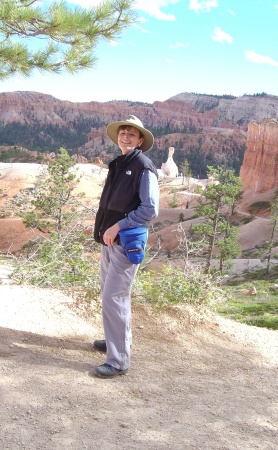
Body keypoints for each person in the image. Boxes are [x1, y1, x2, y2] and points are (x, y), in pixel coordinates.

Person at [93, 115, 159, 378]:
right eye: (123, 133)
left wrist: (118, 226)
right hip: (109, 241)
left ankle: (118, 361)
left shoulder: (143, 166)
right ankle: (115, 341)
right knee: (110, 295)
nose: (126, 137)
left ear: (140, 140)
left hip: (125, 243)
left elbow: (150, 209)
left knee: (114, 297)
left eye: (132, 134)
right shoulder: (119, 164)